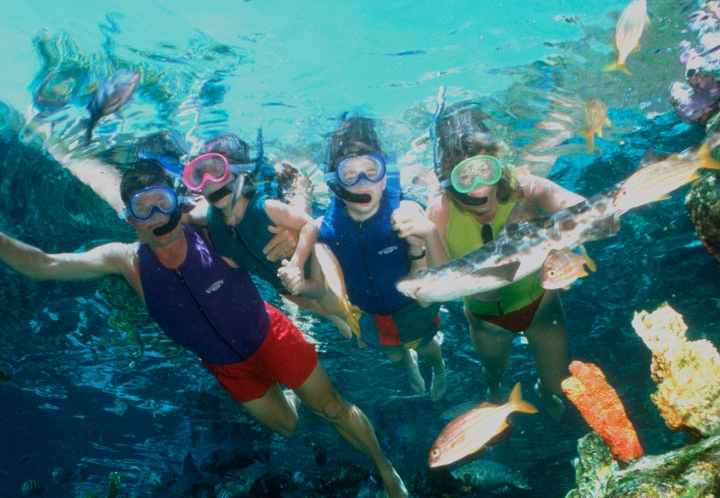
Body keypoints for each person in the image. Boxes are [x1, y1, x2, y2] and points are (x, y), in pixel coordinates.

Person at [0, 157, 409, 498]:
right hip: (228, 368)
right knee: (287, 428)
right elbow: (44, 265)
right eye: (144, 209)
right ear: (130, 219)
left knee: (332, 408)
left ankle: (386, 470)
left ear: (178, 201)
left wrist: (287, 234)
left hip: (270, 336)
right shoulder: (125, 261)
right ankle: (287, 392)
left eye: (163, 201)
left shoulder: (210, 231)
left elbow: (260, 221)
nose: (158, 215)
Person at [425, 98, 586, 415]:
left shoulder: (523, 187)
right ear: (446, 177)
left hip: (543, 311)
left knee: (559, 390)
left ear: (499, 166)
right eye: (463, 176)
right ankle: (495, 389)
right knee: (494, 376)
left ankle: (543, 388)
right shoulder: (440, 210)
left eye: (486, 170)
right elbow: (437, 280)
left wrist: (557, 229)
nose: (478, 187)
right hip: (487, 324)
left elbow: (579, 206)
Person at [318, 116, 448, 399]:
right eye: (349, 174)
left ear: (385, 175)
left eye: (372, 171)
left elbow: (442, 281)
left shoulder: (406, 210)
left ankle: (438, 366)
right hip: (369, 313)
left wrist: (425, 238)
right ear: (335, 181)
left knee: (427, 345)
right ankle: (409, 365)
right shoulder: (326, 226)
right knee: (392, 354)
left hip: (411, 305)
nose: (363, 182)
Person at [182, 132, 357, 337]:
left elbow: (307, 224)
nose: (209, 182)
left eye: (217, 171)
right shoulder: (210, 217)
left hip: (305, 269)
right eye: (199, 176)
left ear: (240, 172)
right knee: (308, 305)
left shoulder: (263, 206)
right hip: (282, 283)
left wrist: (297, 265)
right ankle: (336, 318)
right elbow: (189, 217)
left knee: (333, 305)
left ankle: (349, 318)